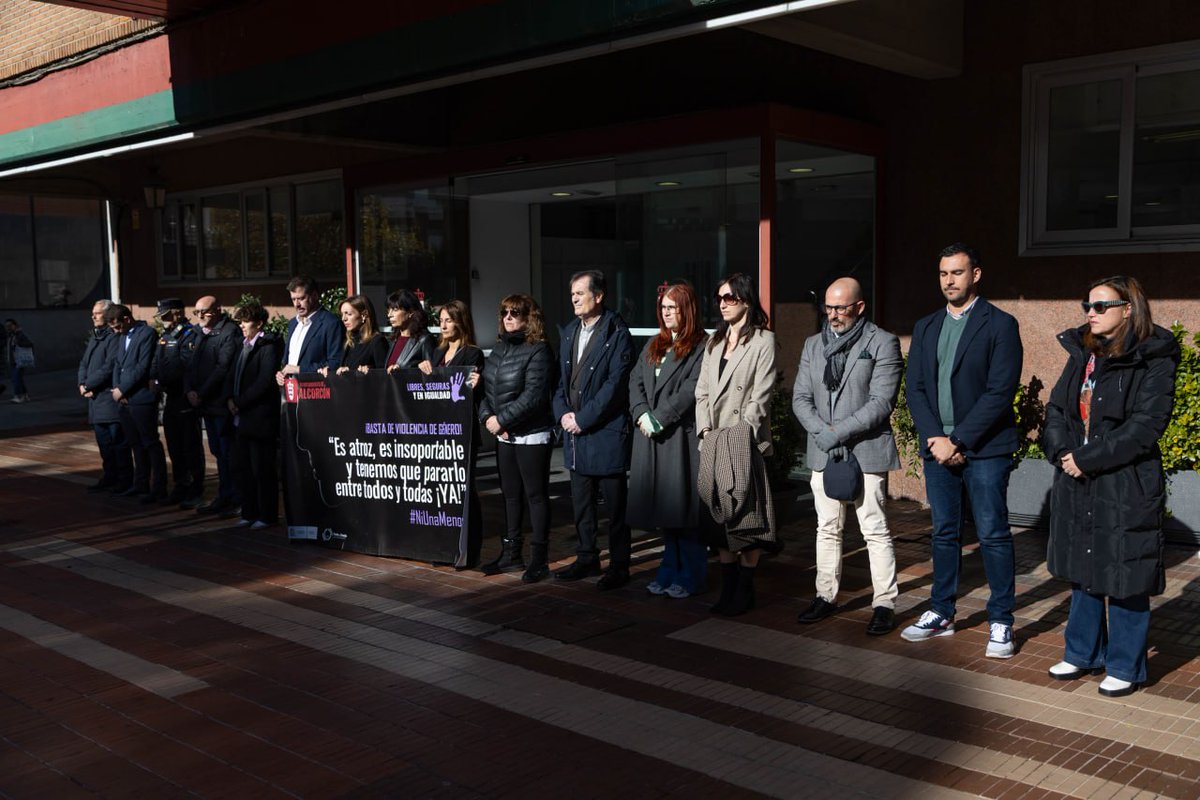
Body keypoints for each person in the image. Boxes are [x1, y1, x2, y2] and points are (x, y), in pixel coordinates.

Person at [1042, 276, 1179, 698]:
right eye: (1088, 304)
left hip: (1125, 481)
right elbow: (1057, 409)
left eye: (1101, 306)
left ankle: (1124, 664)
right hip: (1076, 477)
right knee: (1083, 566)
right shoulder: (1083, 352)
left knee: (1125, 570)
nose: (1091, 313)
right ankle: (1083, 652)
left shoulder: (1153, 356)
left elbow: (1146, 427)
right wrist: (1063, 453)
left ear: (1128, 309)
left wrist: (1088, 458)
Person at [901, 243, 1022, 658]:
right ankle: (941, 611)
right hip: (938, 447)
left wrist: (959, 440)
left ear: (976, 275)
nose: (949, 280)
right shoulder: (926, 326)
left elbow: (1000, 392)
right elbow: (915, 388)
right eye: (943, 273)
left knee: (992, 533)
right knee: (944, 532)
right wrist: (937, 437)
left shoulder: (1000, 324)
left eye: (956, 272)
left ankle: (1001, 620)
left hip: (985, 448)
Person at [792, 277, 903, 635]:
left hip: (866, 450)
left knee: (874, 529)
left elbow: (881, 403)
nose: (833, 314)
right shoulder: (813, 344)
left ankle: (884, 603)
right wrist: (824, 434)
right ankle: (825, 596)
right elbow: (800, 398)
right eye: (828, 307)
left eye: (841, 308)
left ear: (859, 307)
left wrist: (836, 432)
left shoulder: (882, 342)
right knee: (827, 528)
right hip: (824, 451)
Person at [695, 273, 777, 616]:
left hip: (745, 443)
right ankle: (727, 589)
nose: (723, 304)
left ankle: (745, 590)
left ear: (745, 299)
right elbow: (701, 392)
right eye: (719, 298)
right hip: (714, 442)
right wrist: (705, 432)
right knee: (719, 522)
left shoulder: (763, 341)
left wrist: (741, 434)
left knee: (747, 520)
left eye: (729, 297)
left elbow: (762, 395)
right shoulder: (713, 342)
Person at [552, 269, 635, 590]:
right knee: (582, 503)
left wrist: (582, 419)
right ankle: (587, 556)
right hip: (575, 433)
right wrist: (562, 414)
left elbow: (616, 386)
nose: (574, 299)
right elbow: (560, 382)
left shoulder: (617, 332)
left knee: (615, 507)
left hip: (606, 432)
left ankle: (619, 564)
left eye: (580, 293)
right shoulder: (570, 331)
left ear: (598, 296)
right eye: (572, 293)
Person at [627, 283, 708, 599]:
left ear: (686, 309)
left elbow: (692, 388)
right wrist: (641, 413)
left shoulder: (701, 345)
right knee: (664, 512)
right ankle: (668, 569)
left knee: (683, 511)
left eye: (672, 307)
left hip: (677, 438)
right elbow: (634, 380)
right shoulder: (654, 343)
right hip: (649, 437)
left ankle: (690, 575)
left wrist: (660, 417)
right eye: (663, 307)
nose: (666, 313)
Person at [478, 294, 557, 582]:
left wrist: (502, 420)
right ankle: (512, 554)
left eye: (515, 312)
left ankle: (539, 559)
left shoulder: (539, 350)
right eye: (504, 313)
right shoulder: (499, 348)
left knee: (535, 496)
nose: (508, 317)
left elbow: (534, 395)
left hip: (531, 435)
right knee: (510, 496)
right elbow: (486, 390)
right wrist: (488, 418)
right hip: (504, 435)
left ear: (529, 316)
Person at [419, 299, 484, 568]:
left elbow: (470, 392)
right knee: (441, 493)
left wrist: (476, 384)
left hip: (461, 433)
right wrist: (423, 371)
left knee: (464, 492)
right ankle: (444, 547)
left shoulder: (472, 354)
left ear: (461, 321)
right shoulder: (437, 353)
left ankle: (469, 551)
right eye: (441, 320)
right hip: (437, 433)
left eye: (449, 320)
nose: (443, 326)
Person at [228, 303, 284, 530]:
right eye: (240, 321)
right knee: (243, 467)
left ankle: (267, 515)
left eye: (246, 321)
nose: (242, 326)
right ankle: (249, 512)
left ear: (259, 324)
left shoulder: (268, 346)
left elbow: (264, 381)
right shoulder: (242, 345)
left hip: (260, 417)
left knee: (262, 468)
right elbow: (233, 375)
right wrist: (230, 399)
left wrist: (239, 402)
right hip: (241, 417)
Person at [106, 304, 168, 503]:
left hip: (141, 398)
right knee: (135, 443)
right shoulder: (122, 336)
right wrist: (117, 388)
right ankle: (140, 484)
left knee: (150, 443)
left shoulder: (146, 333)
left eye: (118, 326)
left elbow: (142, 366)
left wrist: (123, 389)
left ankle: (158, 487)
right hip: (125, 399)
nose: (117, 331)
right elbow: (118, 364)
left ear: (127, 319)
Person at [186, 296, 242, 514]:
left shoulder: (229, 332)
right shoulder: (200, 332)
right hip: (205, 404)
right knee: (217, 451)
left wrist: (201, 393)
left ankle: (235, 497)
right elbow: (190, 364)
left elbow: (223, 367)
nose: (200, 316)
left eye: (204, 311)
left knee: (228, 452)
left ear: (218, 310)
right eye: (197, 312)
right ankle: (224, 494)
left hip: (219, 403)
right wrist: (189, 390)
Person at [151, 298, 204, 506]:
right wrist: (154, 379)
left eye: (165, 314)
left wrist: (166, 381)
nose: (162, 319)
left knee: (190, 445)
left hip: (184, 396)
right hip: (170, 397)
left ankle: (195, 488)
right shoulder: (166, 334)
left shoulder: (189, 334)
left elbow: (186, 366)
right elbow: (157, 361)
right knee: (174, 444)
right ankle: (181, 484)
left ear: (177, 313)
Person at [77, 300, 131, 492]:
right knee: (105, 445)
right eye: (93, 312)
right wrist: (82, 383)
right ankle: (110, 477)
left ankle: (124, 480)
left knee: (118, 444)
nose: (93, 316)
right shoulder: (96, 336)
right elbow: (84, 362)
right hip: (95, 401)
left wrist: (89, 384)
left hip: (109, 401)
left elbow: (110, 367)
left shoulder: (114, 336)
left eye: (98, 313)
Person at [274, 275, 343, 386]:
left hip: (317, 391)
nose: (297, 304)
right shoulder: (293, 323)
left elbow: (335, 363)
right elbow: (288, 363)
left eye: (301, 298)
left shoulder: (331, 323)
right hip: (291, 391)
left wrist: (299, 369)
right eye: (293, 299)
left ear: (314, 295)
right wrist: (281, 374)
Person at [321, 294, 389, 375]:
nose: (343, 319)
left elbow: (384, 375)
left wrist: (369, 371)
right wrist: (330, 371)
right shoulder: (349, 343)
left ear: (364, 315)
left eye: (349, 314)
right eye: (342, 314)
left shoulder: (377, 341)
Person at [384, 288, 437, 371]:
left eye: (395, 310)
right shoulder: (393, 340)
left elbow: (432, 373)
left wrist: (405, 371)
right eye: (388, 310)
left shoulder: (425, 340)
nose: (389, 315)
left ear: (410, 312)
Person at [5, 318, 33, 403]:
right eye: (7, 326)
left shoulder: (19, 335)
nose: (8, 327)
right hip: (13, 361)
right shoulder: (10, 336)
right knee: (18, 379)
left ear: (15, 325)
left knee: (16, 379)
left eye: (10, 325)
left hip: (19, 361)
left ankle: (17, 396)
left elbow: (30, 344)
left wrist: (19, 343)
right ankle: (25, 395)